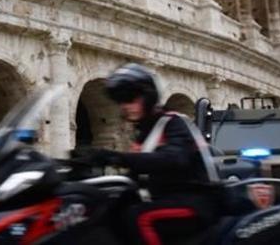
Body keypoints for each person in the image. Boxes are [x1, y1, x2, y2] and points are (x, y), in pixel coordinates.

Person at [76, 63, 215, 244]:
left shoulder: (173, 122)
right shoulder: (144, 133)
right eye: (122, 100)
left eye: (131, 98)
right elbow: (136, 175)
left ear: (148, 97)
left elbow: (174, 159)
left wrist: (117, 158)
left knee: (140, 217)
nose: (126, 105)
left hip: (194, 199)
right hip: (166, 198)